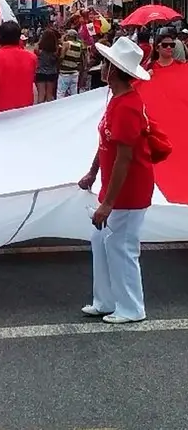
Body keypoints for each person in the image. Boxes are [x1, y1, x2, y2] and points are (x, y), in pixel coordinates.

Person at [77, 36, 155, 325]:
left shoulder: (127, 106)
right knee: (101, 240)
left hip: (129, 190)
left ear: (115, 71)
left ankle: (131, 307)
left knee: (121, 246)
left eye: (107, 64)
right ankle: (106, 300)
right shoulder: (116, 101)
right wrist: (93, 172)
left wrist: (108, 203)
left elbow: (124, 157)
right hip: (115, 187)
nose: (103, 68)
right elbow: (105, 143)